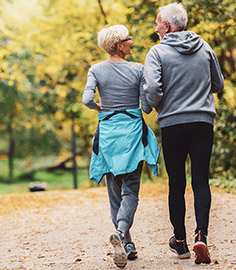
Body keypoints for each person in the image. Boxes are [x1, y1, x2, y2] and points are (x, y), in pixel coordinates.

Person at [143, 3, 224, 265]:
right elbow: (218, 83)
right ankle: (202, 234)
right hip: (202, 122)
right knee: (201, 180)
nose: (155, 28)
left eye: (157, 23)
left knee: (176, 183)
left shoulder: (157, 52)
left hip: (173, 125)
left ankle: (180, 242)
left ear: (167, 26)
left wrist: (158, 106)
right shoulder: (205, 47)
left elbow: (153, 88)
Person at [82, 25, 160, 268]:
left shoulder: (96, 70)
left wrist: (98, 108)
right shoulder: (138, 69)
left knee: (114, 193)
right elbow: (146, 107)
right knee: (131, 191)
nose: (132, 41)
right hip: (132, 135)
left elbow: (86, 99)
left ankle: (126, 243)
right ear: (119, 45)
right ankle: (122, 231)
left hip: (107, 136)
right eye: (128, 39)